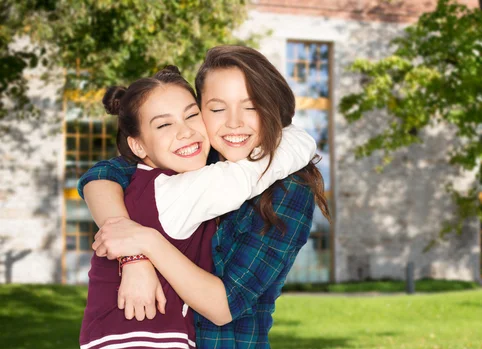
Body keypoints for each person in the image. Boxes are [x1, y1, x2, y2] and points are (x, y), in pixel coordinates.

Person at [78, 45, 330, 348]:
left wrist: (143, 243)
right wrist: (131, 255)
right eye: (217, 108)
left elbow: (224, 305)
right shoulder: (192, 160)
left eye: (251, 106)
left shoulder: (288, 192)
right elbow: (103, 174)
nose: (234, 122)